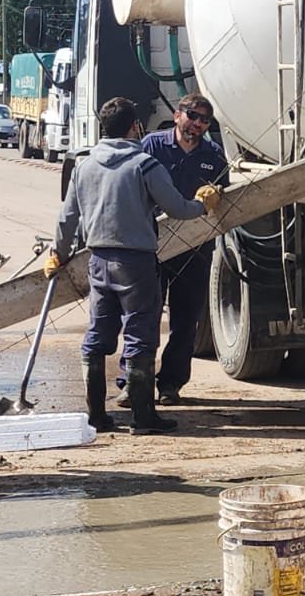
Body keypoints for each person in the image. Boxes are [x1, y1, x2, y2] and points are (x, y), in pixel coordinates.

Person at [45, 97, 222, 435]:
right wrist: (202, 204)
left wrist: (58, 254)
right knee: (141, 335)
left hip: (99, 261)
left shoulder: (84, 166)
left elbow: (67, 219)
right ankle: (144, 418)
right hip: (136, 263)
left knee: (97, 335)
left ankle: (97, 416)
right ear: (134, 127)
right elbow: (178, 208)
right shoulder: (144, 164)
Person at [140, 94, 230, 405]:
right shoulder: (152, 147)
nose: (198, 124)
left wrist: (216, 194)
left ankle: (171, 384)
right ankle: (134, 383)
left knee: (185, 321)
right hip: (152, 246)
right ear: (178, 115)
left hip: (194, 249)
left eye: (205, 120)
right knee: (145, 317)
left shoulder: (213, 155)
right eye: (193, 115)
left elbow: (225, 198)